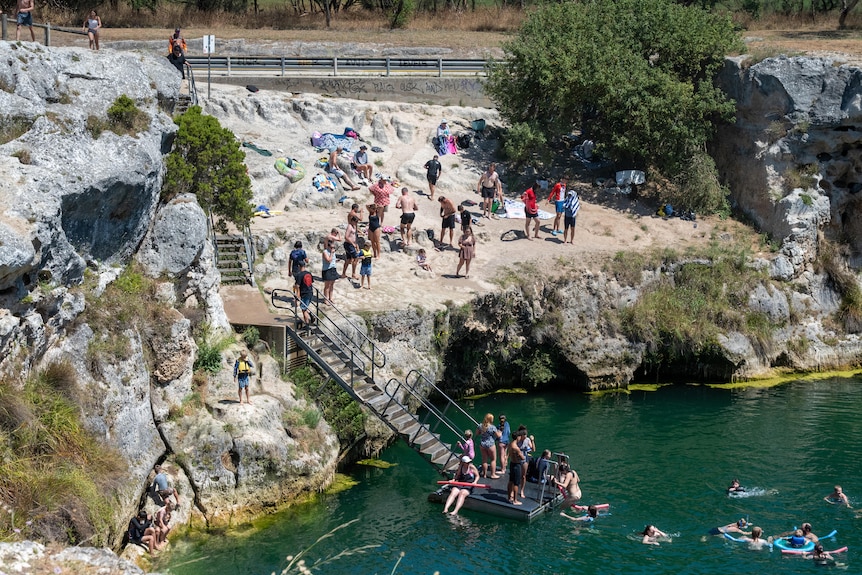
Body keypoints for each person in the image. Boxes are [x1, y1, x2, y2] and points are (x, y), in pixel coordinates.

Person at [475, 413, 501, 479]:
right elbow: (497, 435)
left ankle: (484, 474)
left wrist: (482, 433)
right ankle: (493, 474)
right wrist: (500, 433)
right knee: (493, 460)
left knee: (484, 460)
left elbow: (477, 433)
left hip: (482, 444)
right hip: (490, 444)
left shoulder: (480, 425)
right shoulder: (492, 427)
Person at [507, 432, 526, 505]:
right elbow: (522, 457)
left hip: (512, 463)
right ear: (517, 437)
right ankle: (515, 500)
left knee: (511, 481)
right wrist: (522, 455)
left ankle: (509, 497)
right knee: (516, 483)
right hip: (517, 465)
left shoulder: (510, 445)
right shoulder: (516, 448)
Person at [293, 260, 314, 326]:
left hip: (304, 294)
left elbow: (297, 287)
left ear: (299, 266)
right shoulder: (309, 273)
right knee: (305, 306)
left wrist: (297, 298)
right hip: (310, 292)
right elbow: (311, 282)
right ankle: (310, 314)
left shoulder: (299, 275)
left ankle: (307, 324)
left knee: (303, 309)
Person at [340, 215, 360, 280]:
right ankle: (353, 273)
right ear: (352, 221)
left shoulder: (354, 226)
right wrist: (352, 243)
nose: (356, 223)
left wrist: (356, 245)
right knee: (356, 257)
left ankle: (343, 273)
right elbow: (346, 237)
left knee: (348, 259)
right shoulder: (349, 226)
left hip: (352, 244)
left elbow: (355, 236)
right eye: (355, 222)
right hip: (349, 244)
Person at [321, 238, 338, 304]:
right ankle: (326, 299)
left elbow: (333, 260)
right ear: (328, 246)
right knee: (327, 285)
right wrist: (331, 253)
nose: (333, 248)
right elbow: (328, 260)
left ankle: (331, 298)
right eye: (331, 247)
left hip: (333, 268)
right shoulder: (325, 252)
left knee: (332, 284)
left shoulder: (333, 252)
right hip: (327, 269)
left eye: (333, 247)